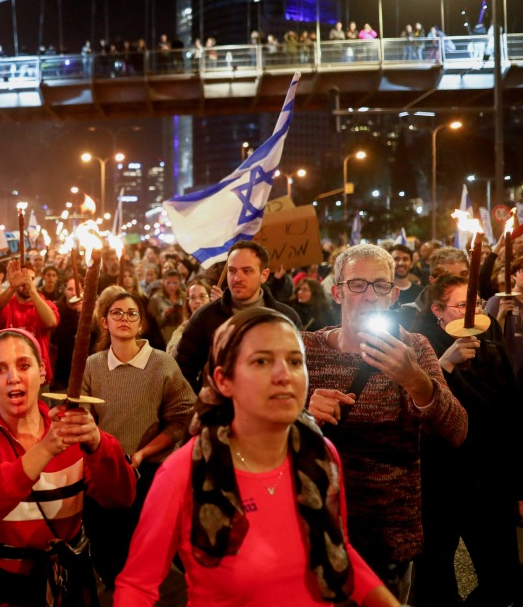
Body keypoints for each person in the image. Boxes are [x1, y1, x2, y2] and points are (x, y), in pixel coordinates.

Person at [115, 307, 397, 606]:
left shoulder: (320, 454)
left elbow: (337, 547)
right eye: (261, 361)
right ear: (224, 380)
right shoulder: (186, 471)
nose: (283, 375)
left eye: (294, 361)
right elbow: (137, 586)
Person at [304, 244, 467, 601]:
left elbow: (456, 430)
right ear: (337, 291)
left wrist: (415, 379)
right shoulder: (306, 351)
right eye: (357, 284)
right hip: (317, 524)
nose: (369, 296)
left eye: (380, 286)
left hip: (389, 529)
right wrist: (304, 415)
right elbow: (262, 431)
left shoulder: (414, 347)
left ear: (393, 294)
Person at [0, 328, 136, 606]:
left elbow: (121, 497)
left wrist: (99, 445)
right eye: (0, 369)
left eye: (24, 365)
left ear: (43, 372)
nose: (13, 377)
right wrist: (45, 449)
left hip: (66, 576)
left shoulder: (70, 430)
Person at [411, 273, 523, 606]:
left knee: (503, 579)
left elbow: (512, 421)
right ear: (438, 310)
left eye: (477, 303)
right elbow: (415, 409)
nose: (474, 311)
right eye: (462, 305)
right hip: (442, 483)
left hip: (490, 482)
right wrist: (446, 364)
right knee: (434, 581)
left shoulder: (493, 350)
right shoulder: (420, 349)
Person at [81, 290, 194, 587]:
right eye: (116, 313)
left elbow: (182, 417)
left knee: (157, 550)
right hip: (106, 473)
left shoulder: (162, 364)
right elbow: (83, 418)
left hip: (152, 473)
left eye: (132, 313)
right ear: (104, 322)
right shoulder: (92, 365)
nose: (124, 318)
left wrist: (143, 453)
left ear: (141, 323)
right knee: (110, 555)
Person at [174, 241, 301, 392]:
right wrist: (205, 405)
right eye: (232, 271)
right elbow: (182, 369)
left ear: (264, 275)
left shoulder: (286, 318)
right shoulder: (204, 318)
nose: (237, 278)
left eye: (246, 271)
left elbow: (299, 368)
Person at [0, 258, 59, 376]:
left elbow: (51, 322)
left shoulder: (44, 304)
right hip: (8, 371)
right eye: (22, 280)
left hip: (37, 372)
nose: (26, 283)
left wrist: (33, 292)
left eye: (30, 279)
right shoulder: (7, 303)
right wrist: (12, 287)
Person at [167, 279, 212, 356]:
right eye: (192, 297)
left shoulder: (219, 322)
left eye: (202, 296)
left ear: (210, 299)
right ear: (188, 304)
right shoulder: (183, 328)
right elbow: (170, 355)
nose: (197, 301)